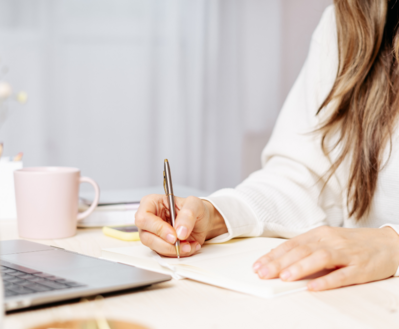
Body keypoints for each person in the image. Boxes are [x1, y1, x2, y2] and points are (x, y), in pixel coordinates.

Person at [135, 1, 399, 292]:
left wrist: (392, 245)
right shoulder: (349, 19)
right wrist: (219, 215)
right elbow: (304, 177)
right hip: (356, 298)